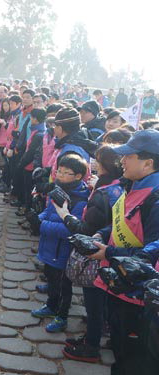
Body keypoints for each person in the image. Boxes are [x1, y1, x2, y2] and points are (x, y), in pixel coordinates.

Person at [90, 129, 159, 375]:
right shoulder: (133, 185)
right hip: (119, 283)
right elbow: (127, 220)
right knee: (119, 348)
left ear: (148, 163)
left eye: (129, 156)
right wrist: (103, 233)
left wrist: (109, 252)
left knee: (130, 360)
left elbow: (151, 253)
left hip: (136, 295)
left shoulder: (155, 198)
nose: (122, 161)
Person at [53, 146, 124, 362]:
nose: (93, 162)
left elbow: (85, 230)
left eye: (97, 160)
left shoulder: (104, 193)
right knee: (98, 304)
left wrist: (65, 215)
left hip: (98, 254)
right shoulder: (115, 187)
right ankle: (92, 337)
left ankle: (91, 346)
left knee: (94, 303)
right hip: (109, 250)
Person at [31, 154, 90, 332]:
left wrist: (42, 224)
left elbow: (70, 229)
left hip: (63, 251)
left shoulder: (80, 199)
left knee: (64, 286)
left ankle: (62, 316)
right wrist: (38, 217)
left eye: (66, 173)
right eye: (59, 171)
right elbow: (49, 212)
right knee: (51, 279)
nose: (60, 175)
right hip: (49, 246)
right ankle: (51, 305)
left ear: (78, 176)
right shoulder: (58, 189)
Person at [16, 108, 47, 215]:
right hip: (30, 166)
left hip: (30, 167)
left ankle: (27, 211)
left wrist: (20, 164)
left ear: (35, 119)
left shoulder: (38, 134)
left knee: (28, 190)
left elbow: (30, 152)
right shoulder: (38, 131)